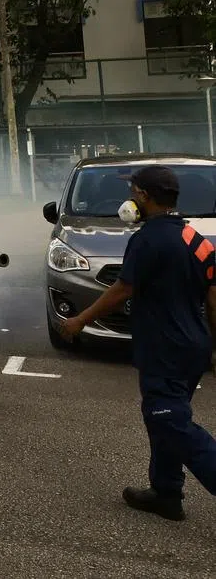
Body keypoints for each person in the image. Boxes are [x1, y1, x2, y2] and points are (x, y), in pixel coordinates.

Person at [60, 164, 216, 520]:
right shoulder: (197, 241)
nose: (130, 198)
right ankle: (166, 493)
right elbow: (213, 299)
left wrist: (79, 321)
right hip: (193, 346)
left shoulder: (146, 240)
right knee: (167, 416)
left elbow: (122, 290)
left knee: (169, 420)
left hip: (165, 348)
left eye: (133, 192)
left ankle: (171, 488)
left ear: (144, 197)